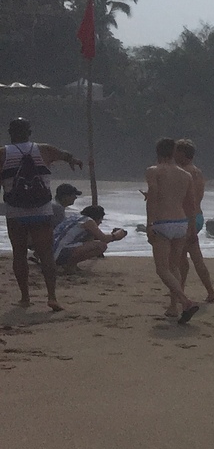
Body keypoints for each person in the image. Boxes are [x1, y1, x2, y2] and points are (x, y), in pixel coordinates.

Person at [4, 117, 84, 311]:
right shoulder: (44, 150)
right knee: (46, 254)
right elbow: (66, 155)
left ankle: (25, 298)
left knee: (19, 255)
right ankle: (52, 297)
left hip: (15, 212)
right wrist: (74, 160)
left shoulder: (3, 153)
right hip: (41, 211)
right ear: (30, 133)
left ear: (10, 133)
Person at [146, 136, 199, 322]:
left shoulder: (154, 171)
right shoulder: (186, 175)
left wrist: (149, 222)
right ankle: (173, 307)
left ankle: (185, 301)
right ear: (174, 152)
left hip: (163, 222)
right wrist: (191, 227)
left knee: (162, 269)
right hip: (181, 222)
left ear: (158, 152)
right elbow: (191, 203)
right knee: (173, 266)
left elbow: (153, 194)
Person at [174, 138, 214, 303]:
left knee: (181, 260)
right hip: (196, 216)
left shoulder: (186, 172)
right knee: (195, 257)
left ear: (183, 154)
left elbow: (188, 200)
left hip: (188, 218)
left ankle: (180, 293)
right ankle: (210, 291)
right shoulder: (197, 172)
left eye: (176, 152)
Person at [52, 204, 126, 269]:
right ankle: (69, 265)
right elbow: (103, 238)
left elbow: (94, 237)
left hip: (51, 250)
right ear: (97, 218)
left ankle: (69, 264)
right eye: (100, 219)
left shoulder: (74, 217)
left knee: (91, 241)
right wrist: (116, 235)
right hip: (59, 252)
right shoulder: (88, 221)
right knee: (101, 246)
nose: (101, 222)